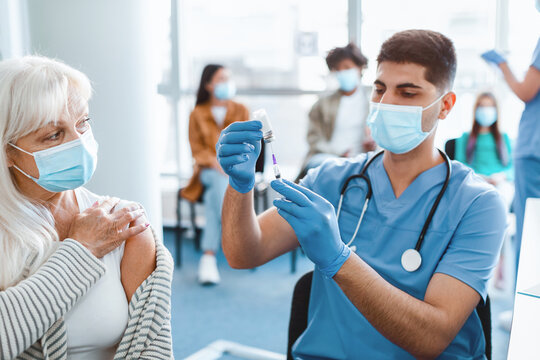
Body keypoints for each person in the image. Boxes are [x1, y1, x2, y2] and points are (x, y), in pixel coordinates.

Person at [217, 30, 506, 358]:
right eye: (380, 89)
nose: (387, 104)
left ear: (445, 106)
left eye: (407, 93)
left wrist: (338, 259)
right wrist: (239, 187)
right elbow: (244, 253)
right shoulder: (332, 180)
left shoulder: (478, 204)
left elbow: (431, 339)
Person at [0, 56, 173, 359]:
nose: (79, 143)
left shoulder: (123, 222)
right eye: (53, 135)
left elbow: (152, 349)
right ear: (8, 152)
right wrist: (81, 251)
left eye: (83, 123)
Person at [480, 0, 540, 331]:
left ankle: (528, 315)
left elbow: (526, 90)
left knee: (533, 232)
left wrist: (502, 65)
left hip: (535, 151)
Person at [181, 64, 249, 285]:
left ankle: (208, 257)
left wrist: (229, 164)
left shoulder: (241, 110)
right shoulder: (196, 114)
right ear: (208, 85)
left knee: (214, 198)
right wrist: (214, 161)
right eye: (220, 79)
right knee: (219, 182)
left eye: (228, 78)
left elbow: (248, 144)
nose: (226, 83)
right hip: (208, 172)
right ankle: (233, 233)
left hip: (235, 170)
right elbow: (197, 151)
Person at [302, 43, 376, 173]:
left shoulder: (373, 103)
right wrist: (338, 154)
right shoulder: (322, 104)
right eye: (338, 69)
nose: (342, 72)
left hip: (363, 158)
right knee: (327, 166)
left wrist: (373, 145)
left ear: (359, 68)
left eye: (347, 67)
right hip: (328, 158)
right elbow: (314, 139)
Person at [454, 92, 514, 205]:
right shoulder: (465, 137)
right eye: (482, 106)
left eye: (490, 106)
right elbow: (460, 165)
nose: (486, 110)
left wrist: (501, 176)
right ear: (476, 109)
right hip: (475, 180)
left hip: (500, 183)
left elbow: (512, 167)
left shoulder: (503, 137)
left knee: (505, 194)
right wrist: (478, 176)